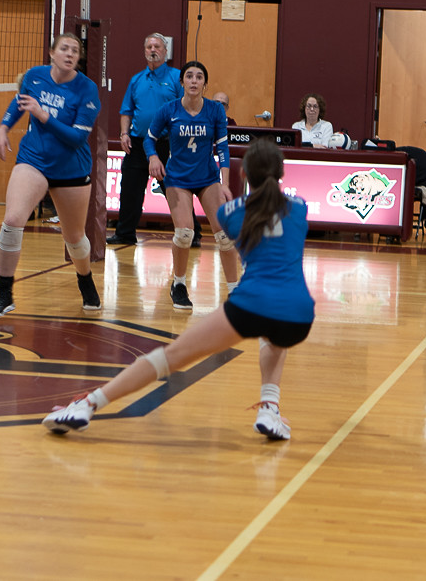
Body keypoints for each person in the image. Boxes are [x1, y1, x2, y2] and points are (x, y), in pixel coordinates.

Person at [43, 138, 314, 439]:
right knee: (275, 336)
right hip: (299, 315)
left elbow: (239, 217)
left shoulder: (231, 213)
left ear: (243, 175)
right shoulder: (300, 209)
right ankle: (270, 408)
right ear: (282, 174)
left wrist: (225, 195)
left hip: (252, 304)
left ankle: (88, 404)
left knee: (169, 357)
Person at [0, 33, 102, 316]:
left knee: (73, 237)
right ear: (52, 52)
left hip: (71, 167)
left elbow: (76, 139)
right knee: (12, 220)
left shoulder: (87, 90)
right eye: (64, 48)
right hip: (34, 160)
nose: (70, 54)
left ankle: (84, 278)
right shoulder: (35, 76)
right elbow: (19, 104)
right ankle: (4, 292)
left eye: (75, 50)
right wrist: (3, 128)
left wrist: (43, 116)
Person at [145, 60, 240, 309]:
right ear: (182, 82)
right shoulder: (169, 110)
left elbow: (223, 149)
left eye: (199, 77)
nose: (194, 81)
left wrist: (225, 183)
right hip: (177, 179)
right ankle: (178, 284)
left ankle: (235, 291)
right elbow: (149, 139)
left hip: (207, 178)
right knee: (185, 233)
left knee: (225, 236)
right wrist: (153, 157)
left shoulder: (215, 111)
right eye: (190, 76)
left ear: (204, 85)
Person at [107, 32, 185, 246]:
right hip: (138, 144)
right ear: (144, 51)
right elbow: (126, 111)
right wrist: (124, 134)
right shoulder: (136, 80)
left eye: (157, 47)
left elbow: (184, 110)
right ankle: (125, 233)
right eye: (149, 47)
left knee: (175, 190)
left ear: (165, 51)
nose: (153, 50)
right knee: (130, 190)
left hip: (165, 145)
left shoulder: (176, 78)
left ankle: (191, 233)